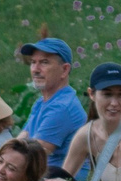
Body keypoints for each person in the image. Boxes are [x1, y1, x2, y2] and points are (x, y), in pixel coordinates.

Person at [16, 36, 87, 173]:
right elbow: (20, 141)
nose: (35, 69)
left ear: (65, 70)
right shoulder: (42, 102)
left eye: (44, 62)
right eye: (32, 62)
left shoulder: (62, 107)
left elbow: (32, 154)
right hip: (43, 178)